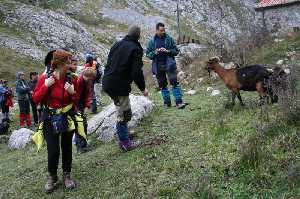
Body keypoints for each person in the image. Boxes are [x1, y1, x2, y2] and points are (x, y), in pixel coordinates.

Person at [33, 49, 78, 193]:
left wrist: (73, 93)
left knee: (67, 147)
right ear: (58, 64)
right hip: (49, 118)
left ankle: (67, 174)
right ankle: (52, 176)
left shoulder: (72, 78)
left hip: (67, 117)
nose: (70, 64)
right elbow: (35, 99)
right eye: (67, 62)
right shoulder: (45, 78)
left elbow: (78, 101)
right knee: (53, 150)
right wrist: (46, 85)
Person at [102, 25, 148, 152]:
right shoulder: (135, 49)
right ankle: (125, 143)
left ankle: (124, 135)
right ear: (138, 37)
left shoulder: (117, 44)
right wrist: (143, 88)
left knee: (121, 110)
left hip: (107, 82)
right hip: (118, 84)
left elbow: (109, 63)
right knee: (124, 114)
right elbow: (136, 73)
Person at [146, 22, 186, 109]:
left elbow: (176, 51)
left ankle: (179, 102)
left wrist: (168, 51)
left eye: (164, 30)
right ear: (156, 30)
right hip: (158, 65)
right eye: (161, 30)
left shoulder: (169, 39)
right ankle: (167, 103)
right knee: (162, 85)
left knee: (174, 82)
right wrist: (155, 52)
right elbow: (148, 54)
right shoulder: (152, 41)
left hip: (169, 64)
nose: (163, 32)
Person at [74, 67, 96, 153]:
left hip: (82, 104)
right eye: (89, 78)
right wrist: (76, 109)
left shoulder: (88, 82)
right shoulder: (78, 82)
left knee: (84, 124)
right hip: (76, 105)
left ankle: (84, 144)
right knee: (79, 125)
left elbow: (88, 94)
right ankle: (80, 147)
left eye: (91, 79)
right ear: (85, 75)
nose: (90, 80)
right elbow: (74, 97)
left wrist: (87, 106)